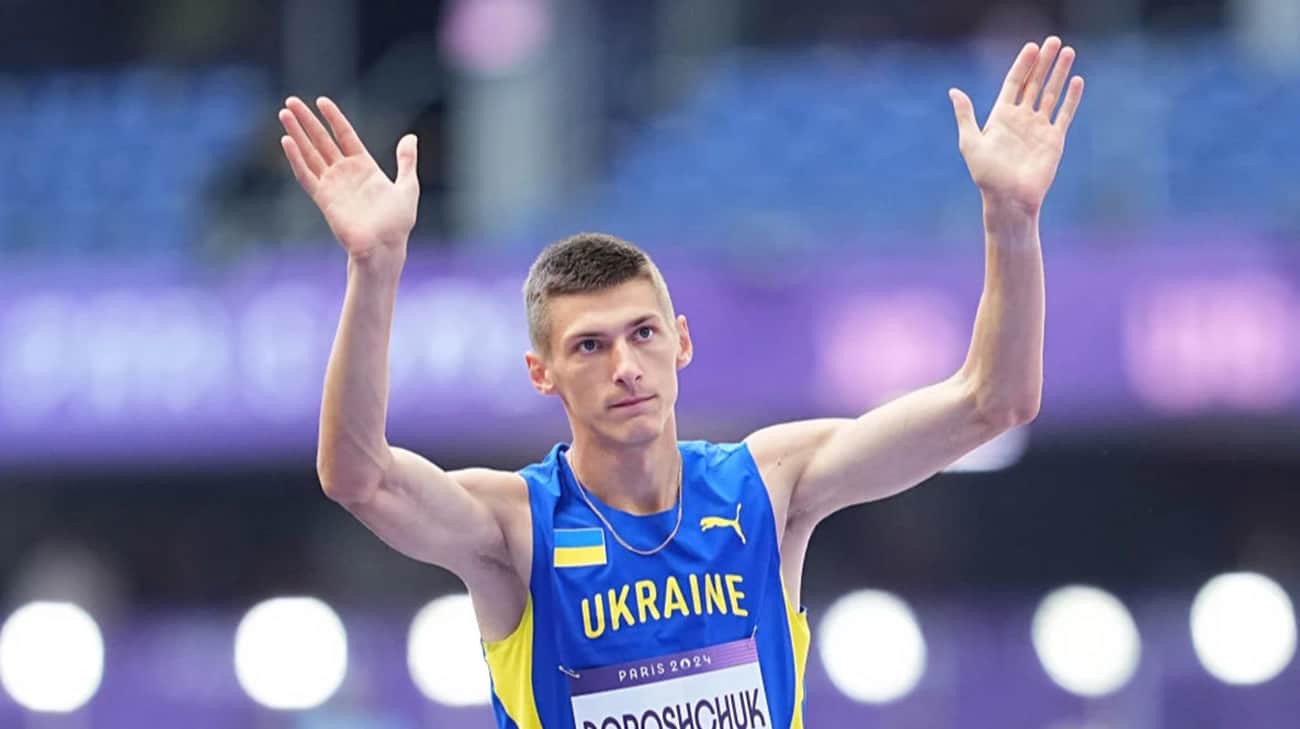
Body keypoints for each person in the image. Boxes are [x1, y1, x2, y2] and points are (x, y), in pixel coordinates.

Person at [278, 36, 1084, 729]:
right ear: (542, 373)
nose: (625, 365)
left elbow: (994, 401)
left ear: (682, 342)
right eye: (589, 346)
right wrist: (374, 266)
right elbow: (359, 475)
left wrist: (1011, 220)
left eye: (643, 333)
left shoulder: (769, 485)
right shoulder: (516, 528)